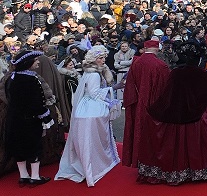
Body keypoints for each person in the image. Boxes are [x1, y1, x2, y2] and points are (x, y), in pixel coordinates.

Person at [138, 41, 207, 184]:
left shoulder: (175, 73)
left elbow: (168, 94)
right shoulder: (199, 73)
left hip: (174, 110)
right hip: (196, 111)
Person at [55, 45, 120, 186]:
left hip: (87, 108)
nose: (103, 60)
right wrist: (114, 89)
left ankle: (88, 163)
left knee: (89, 139)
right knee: (91, 139)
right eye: (100, 58)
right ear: (94, 59)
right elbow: (95, 93)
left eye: (104, 58)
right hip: (91, 109)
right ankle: (91, 165)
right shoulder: (94, 74)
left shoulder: (92, 72)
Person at [3, 50, 54, 186]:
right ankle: (35, 177)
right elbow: (35, 102)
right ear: (28, 63)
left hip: (14, 118)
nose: (38, 62)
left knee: (18, 147)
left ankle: (23, 176)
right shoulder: (30, 79)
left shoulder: (12, 77)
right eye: (35, 60)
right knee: (33, 146)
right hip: (29, 120)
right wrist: (45, 116)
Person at [121, 39, 169, 169]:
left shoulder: (136, 63)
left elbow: (129, 87)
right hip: (154, 106)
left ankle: (138, 161)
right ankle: (153, 164)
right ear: (157, 49)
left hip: (138, 105)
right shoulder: (161, 65)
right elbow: (165, 89)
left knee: (139, 132)